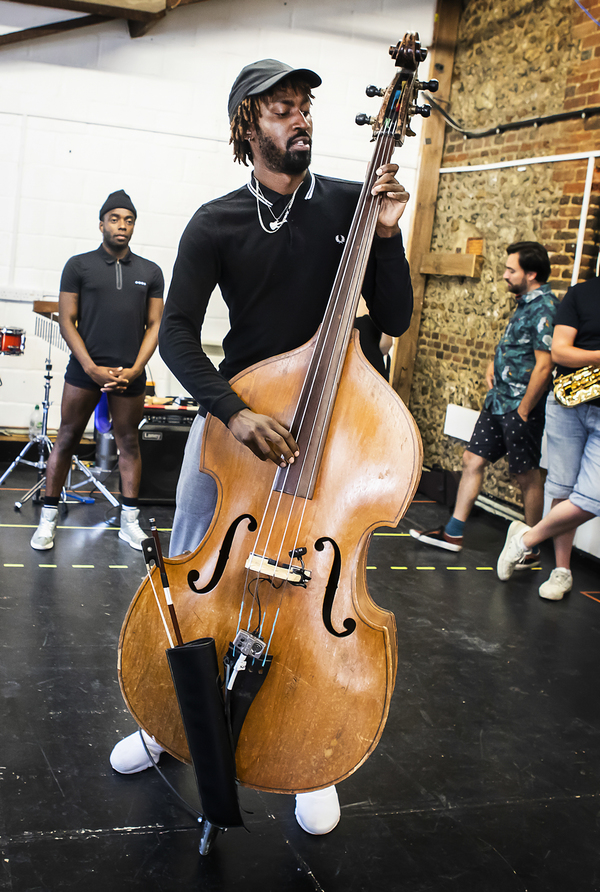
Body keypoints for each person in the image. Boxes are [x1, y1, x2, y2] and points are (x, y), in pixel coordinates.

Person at [109, 59, 414, 835]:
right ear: (248, 124)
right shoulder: (216, 222)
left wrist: (384, 234)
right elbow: (175, 331)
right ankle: (169, 724)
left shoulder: (350, 203)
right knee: (192, 578)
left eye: (305, 106)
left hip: (340, 434)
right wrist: (231, 410)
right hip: (241, 433)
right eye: (281, 108)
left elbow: (397, 314)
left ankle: (309, 746)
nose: (300, 119)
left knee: (317, 591)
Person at [30, 190, 164, 552]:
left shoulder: (150, 272)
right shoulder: (78, 266)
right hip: (84, 371)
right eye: (116, 218)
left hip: (129, 375)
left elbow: (155, 326)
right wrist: (90, 367)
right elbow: (66, 321)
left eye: (129, 219)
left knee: (129, 444)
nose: (123, 225)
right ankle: (48, 520)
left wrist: (136, 369)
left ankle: (129, 524)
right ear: (102, 223)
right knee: (67, 438)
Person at [410, 242, 558, 566]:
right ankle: (453, 532)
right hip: (497, 402)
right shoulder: (523, 302)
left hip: (521, 407)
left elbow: (545, 365)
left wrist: (524, 409)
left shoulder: (545, 306)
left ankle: (531, 549)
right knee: (472, 459)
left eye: (511, 270)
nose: (504, 275)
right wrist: (494, 362)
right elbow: (515, 344)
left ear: (531, 274)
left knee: (527, 477)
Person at [496, 274, 600, 599]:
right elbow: (560, 351)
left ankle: (525, 539)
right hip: (568, 402)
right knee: (562, 488)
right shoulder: (582, 294)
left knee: (593, 496)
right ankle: (561, 572)